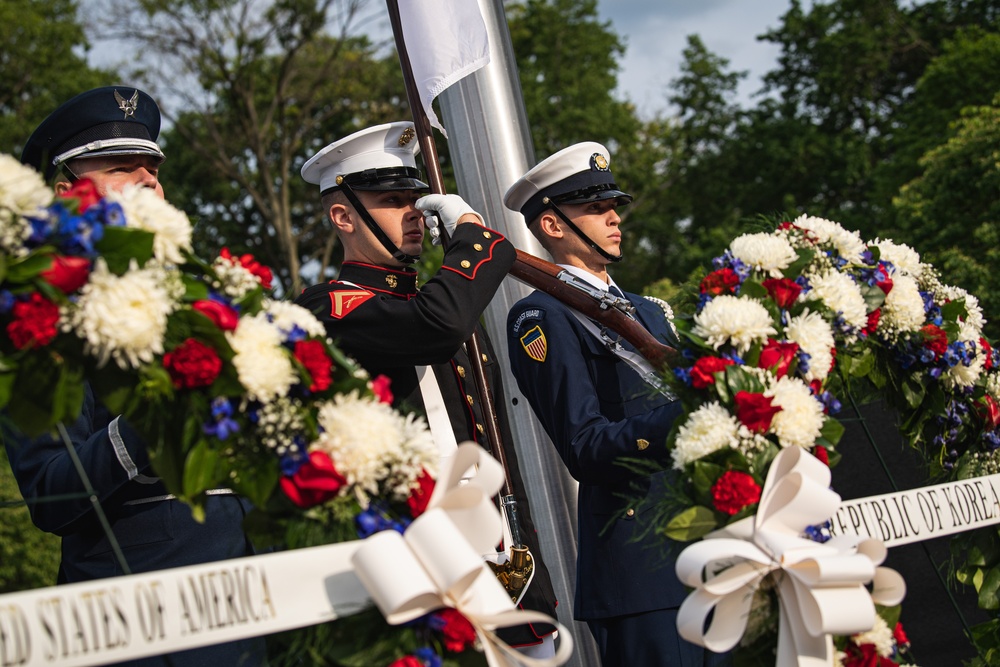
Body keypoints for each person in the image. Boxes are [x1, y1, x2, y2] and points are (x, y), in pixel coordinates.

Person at [4, 86, 264, 666]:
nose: (148, 182)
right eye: (122, 167)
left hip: (245, 603)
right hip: (136, 624)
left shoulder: (195, 296)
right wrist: (156, 416)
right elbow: (52, 496)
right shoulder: (41, 315)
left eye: (153, 170)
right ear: (64, 191)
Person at [295, 121, 559, 656]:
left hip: (506, 558)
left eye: (415, 197)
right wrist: (473, 233)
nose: (413, 212)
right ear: (343, 216)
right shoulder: (330, 308)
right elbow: (434, 325)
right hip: (417, 566)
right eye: (392, 200)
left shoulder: (435, 302)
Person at [504, 142, 711, 666]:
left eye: (612, 204)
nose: (615, 216)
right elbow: (584, 445)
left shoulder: (647, 312)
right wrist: (690, 416)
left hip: (710, 550)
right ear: (552, 226)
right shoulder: (541, 316)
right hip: (640, 570)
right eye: (595, 209)